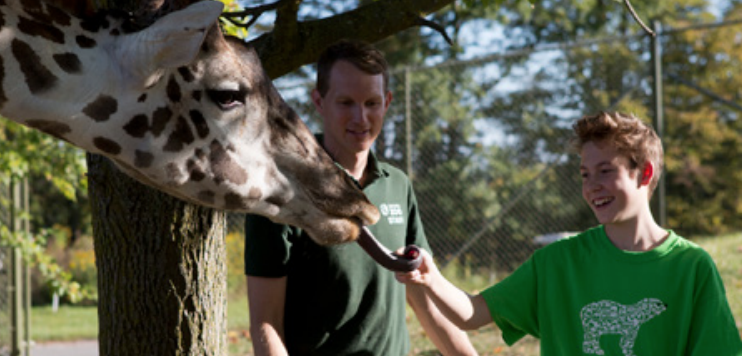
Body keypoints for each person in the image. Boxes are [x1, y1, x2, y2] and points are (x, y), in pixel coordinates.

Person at [396, 111, 742, 355]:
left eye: (605, 171)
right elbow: (472, 313)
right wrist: (432, 278)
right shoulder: (557, 262)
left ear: (644, 173)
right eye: (585, 174)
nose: (592, 186)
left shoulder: (691, 267)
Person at [244, 39, 477, 356]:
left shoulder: (398, 185)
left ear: (388, 102)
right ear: (319, 101)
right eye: (346, 103)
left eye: (371, 103)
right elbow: (265, 323)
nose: (361, 118)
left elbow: (424, 301)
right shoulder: (282, 191)